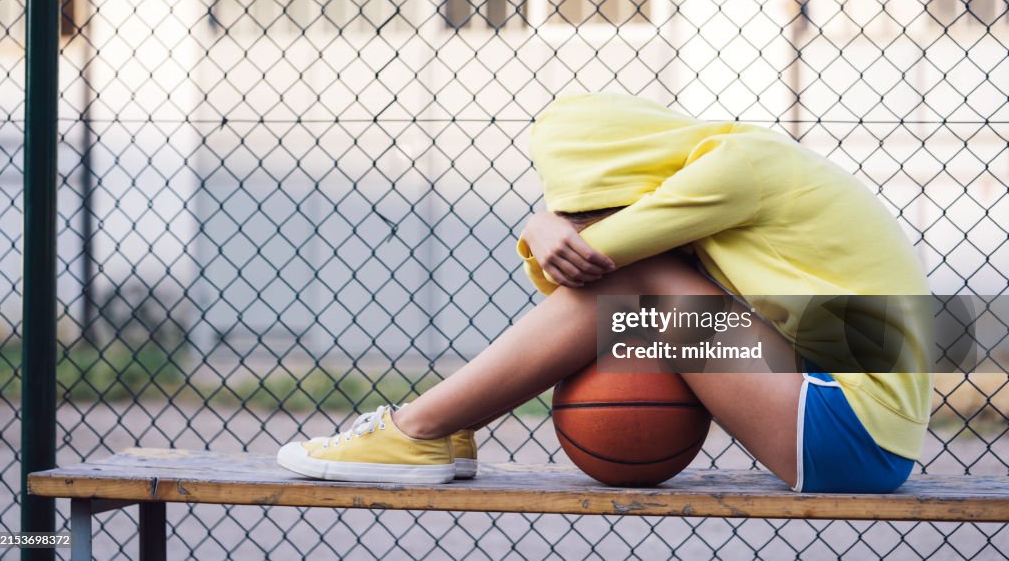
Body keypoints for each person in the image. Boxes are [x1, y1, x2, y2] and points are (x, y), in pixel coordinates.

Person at [277, 92, 933, 493]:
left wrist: (543, 227)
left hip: (850, 431)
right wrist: (546, 228)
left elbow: (588, 268)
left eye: (583, 207)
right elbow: (577, 277)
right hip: (847, 409)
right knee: (628, 292)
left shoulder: (738, 169)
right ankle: (440, 432)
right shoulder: (741, 164)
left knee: (631, 283)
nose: (581, 221)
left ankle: (418, 428)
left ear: (618, 177)